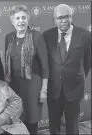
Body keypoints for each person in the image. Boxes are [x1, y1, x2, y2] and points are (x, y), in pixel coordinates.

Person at [43, 4, 91, 135]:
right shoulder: (47, 36)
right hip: (54, 89)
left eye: (67, 16)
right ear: (55, 19)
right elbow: (44, 62)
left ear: (71, 17)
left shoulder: (85, 35)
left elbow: (88, 62)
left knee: (73, 125)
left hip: (74, 88)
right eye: (60, 17)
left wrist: (76, 76)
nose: (64, 20)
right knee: (54, 124)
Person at [5, 5, 49, 134]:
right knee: (17, 118)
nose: (21, 21)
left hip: (33, 86)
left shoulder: (37, 36)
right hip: (14, 86)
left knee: (31, 119)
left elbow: (45, 65)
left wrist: (43, 90)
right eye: (17, 18)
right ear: (12, 21)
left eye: (24, 17)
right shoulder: (8, 37)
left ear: (28, 19)